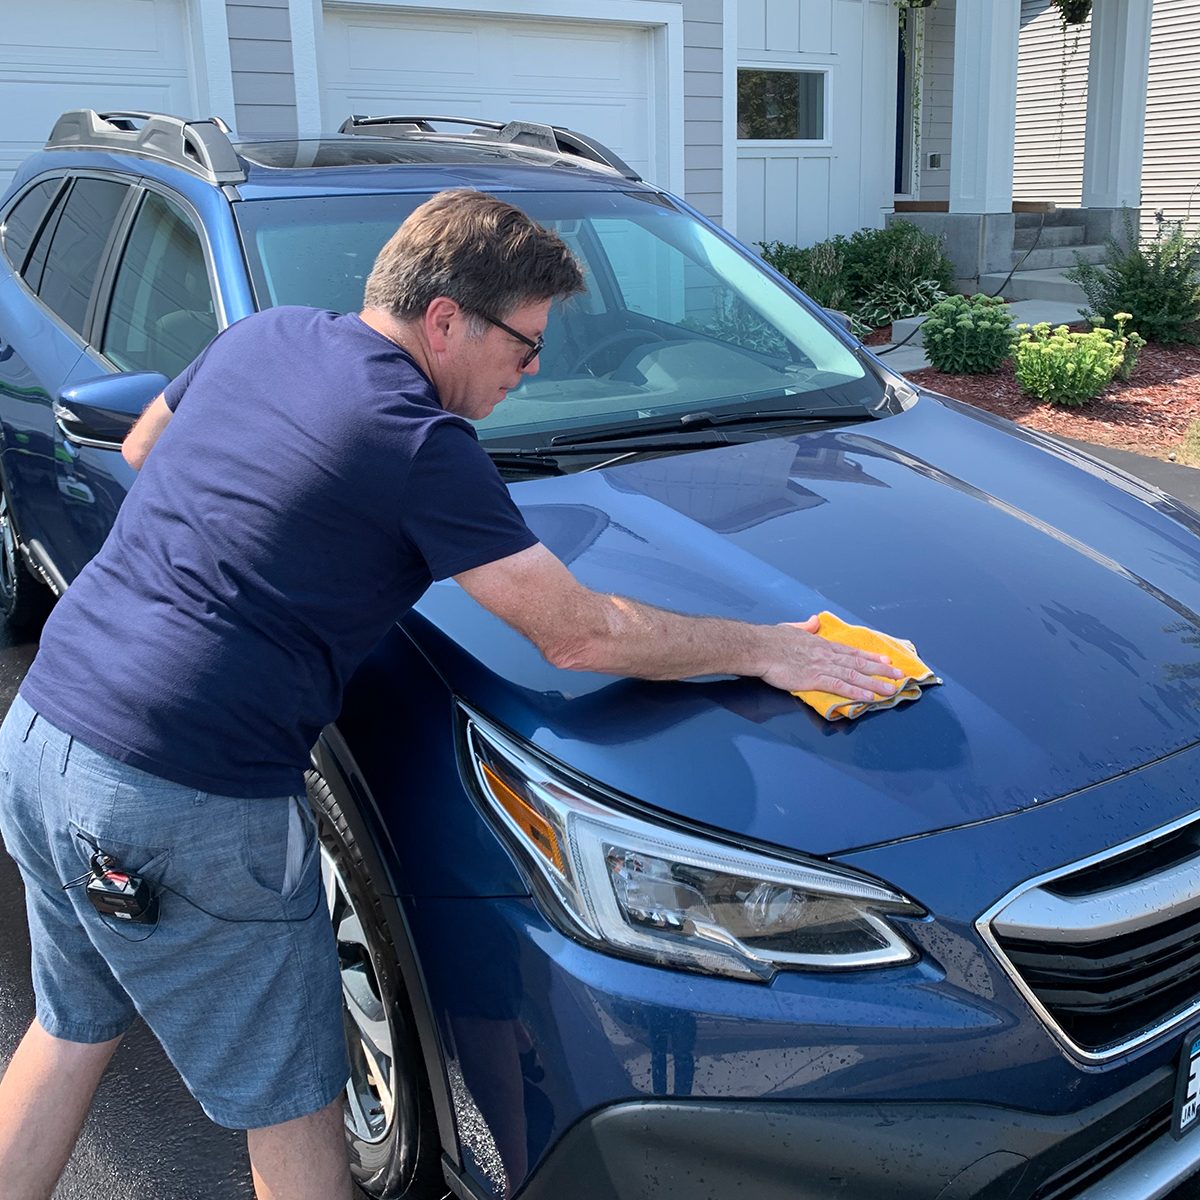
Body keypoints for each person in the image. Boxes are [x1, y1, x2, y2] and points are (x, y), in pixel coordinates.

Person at [0, 189, 902, 1200]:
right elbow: (580, 633)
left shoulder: (264, 336)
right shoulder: (419, 441)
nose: (534, 368)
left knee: (70, 1029)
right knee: (294, 1105)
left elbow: (143, 450)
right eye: (526, 343)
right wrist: (769, 649)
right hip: (185, 796)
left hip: (42, 731)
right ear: (445, 321)